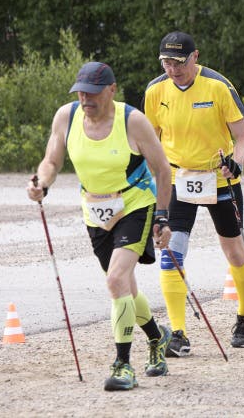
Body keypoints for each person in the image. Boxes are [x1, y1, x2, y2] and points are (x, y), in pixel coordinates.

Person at [27, 61, 173, 391]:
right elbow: (52, 160)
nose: (85, 99)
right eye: (80, 92)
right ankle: (156, 337)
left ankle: (123, 365)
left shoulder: (132, 121)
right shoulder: (67, 116)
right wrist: (42, 183)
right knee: (122, 287)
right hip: (95, 210)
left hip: (135, 203)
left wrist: (163, 217)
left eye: (92, 93)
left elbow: (163, 170)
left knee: (116, 278)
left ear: (111, 90)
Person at [143, 31, 244, 353]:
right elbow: (148, 141)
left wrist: (236, 163)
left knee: (233, 251)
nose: (172, 69)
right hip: (178, 178)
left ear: (195, 57)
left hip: (219, 178)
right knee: (171, 252)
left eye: (179, 62)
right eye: (166, 62)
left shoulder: (218, 86)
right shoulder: (155, 91)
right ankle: (178, 334)